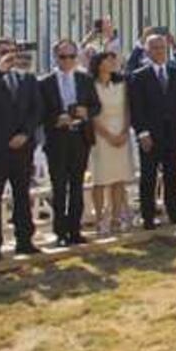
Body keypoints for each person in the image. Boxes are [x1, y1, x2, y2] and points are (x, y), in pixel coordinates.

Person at [0, 39, 44, 261]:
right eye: (5, 52)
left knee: (22, 194)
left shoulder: (27, 78)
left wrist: (25, 134)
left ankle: (25, 241)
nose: (10, 56)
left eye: (13, 52)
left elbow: (37, 110)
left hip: (22, 147)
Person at [38, 39, 102, 246]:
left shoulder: (85, 79)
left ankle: (75, 229)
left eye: (72, 57)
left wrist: (86, 112)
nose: (67, 61)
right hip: (57, 139)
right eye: (63, 57)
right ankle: (60, 232)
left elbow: (96, 106)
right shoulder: (45, 82)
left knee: (77, 185)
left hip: (79, 138)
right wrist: (55, 120)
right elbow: (38, 113)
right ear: (55, 57)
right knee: (59, 187)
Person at [129, 33, 176, 229]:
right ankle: (148, 216)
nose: (159, 51)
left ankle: (173, 211)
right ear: (147, 51)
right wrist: (142, 133)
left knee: (172, 174)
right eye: (154, 47)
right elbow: (136, 108)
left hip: (173, 133)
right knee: (149, 176)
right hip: (150, 135)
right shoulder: (139, 76)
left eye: (162, 47)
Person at [88, 50, 134, 235]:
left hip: (121, 132)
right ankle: (100, 219)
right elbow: (93, 115)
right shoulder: (91, 85)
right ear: (99, 63)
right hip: (101, 136)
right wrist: (108, 135)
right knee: (100, 179)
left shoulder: (121, 83)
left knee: (118, 179)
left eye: (114, 59)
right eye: (108, 59)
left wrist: (123, 132)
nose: (112, 62)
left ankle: (116, 217)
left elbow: (127, 109)